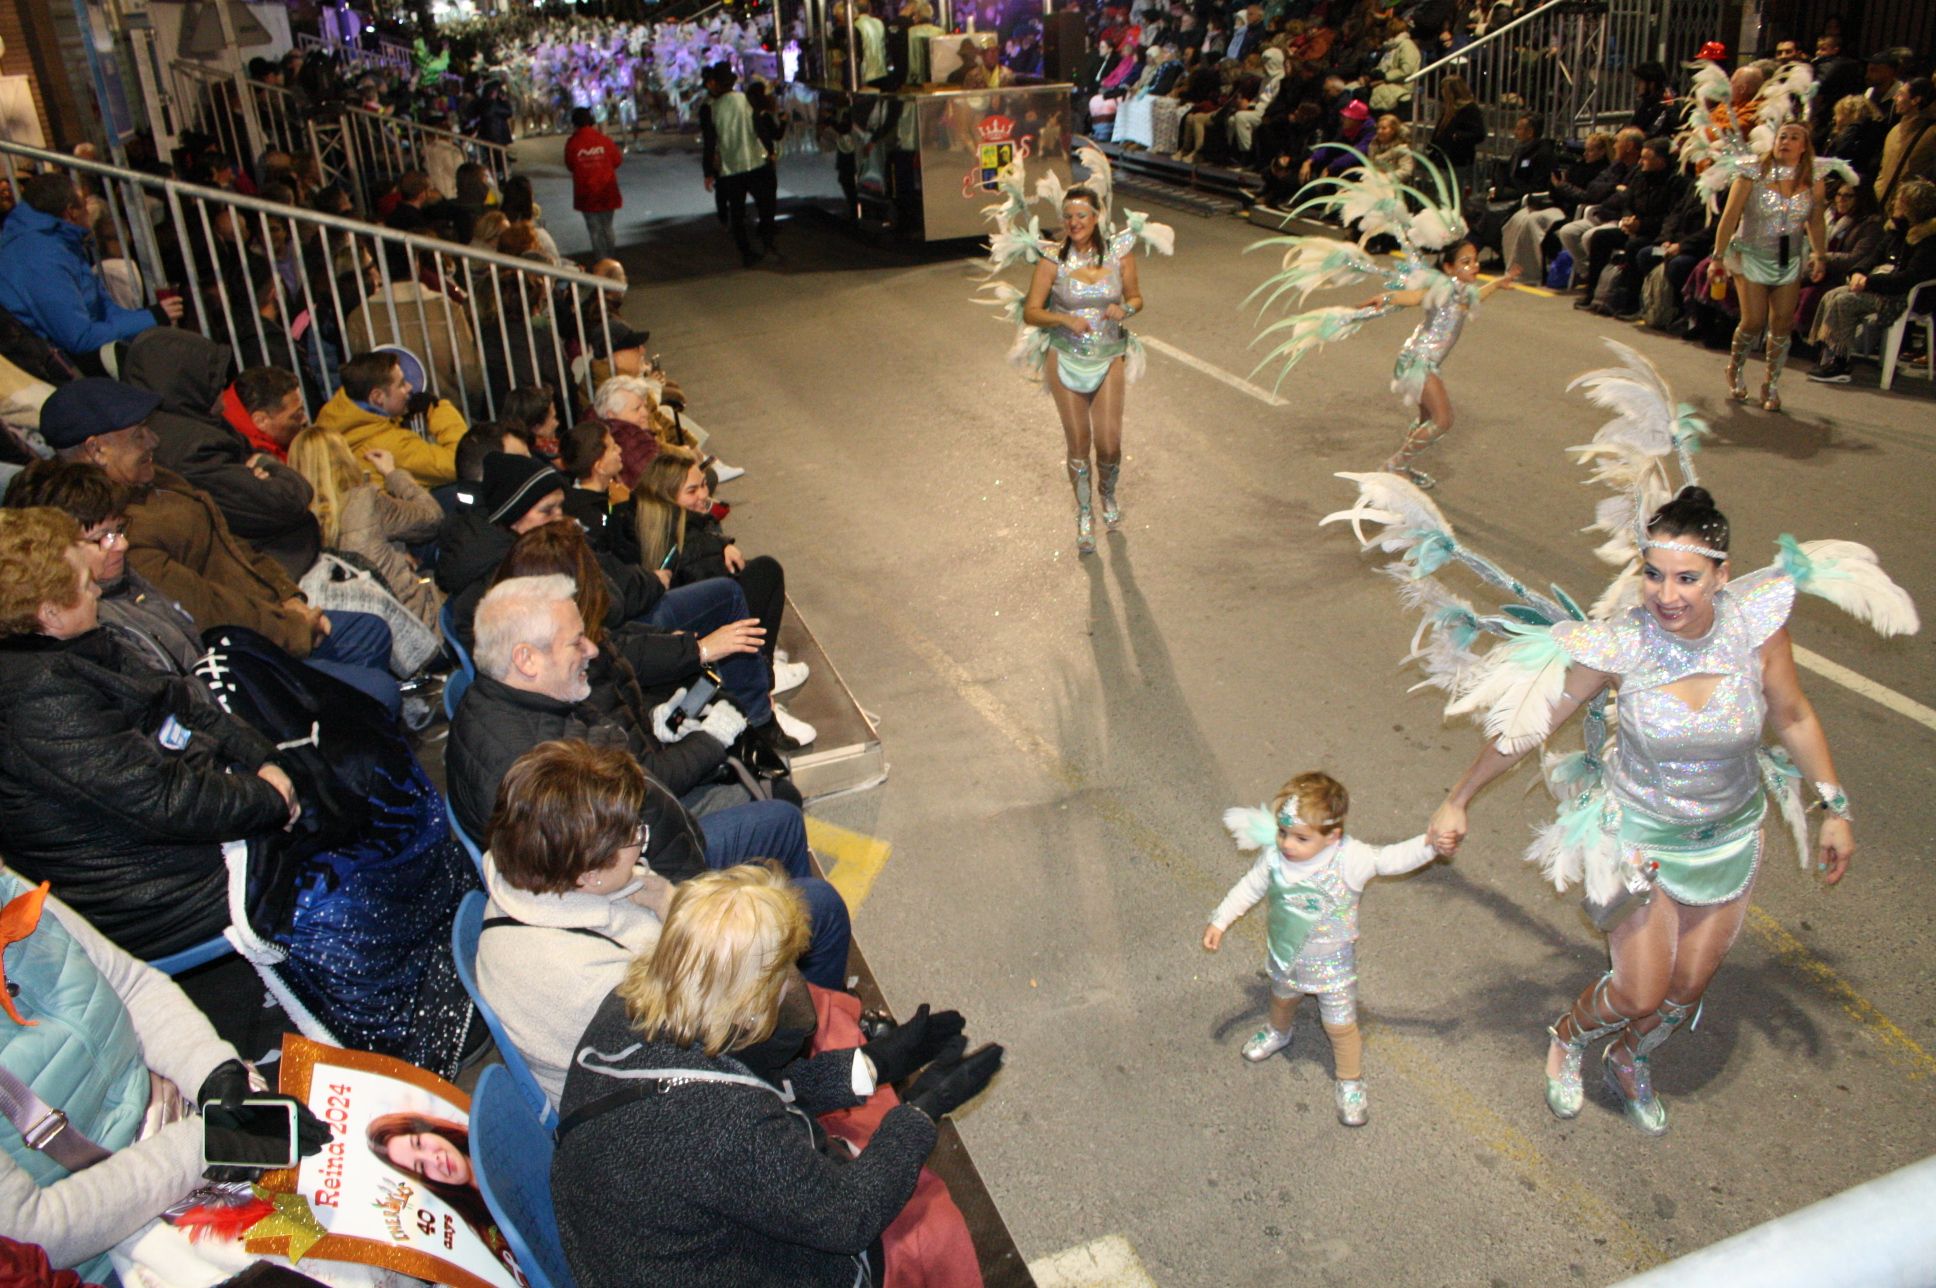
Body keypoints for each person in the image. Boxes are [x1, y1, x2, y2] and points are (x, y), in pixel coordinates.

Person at [1425, 486, 1902, 1135]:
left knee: (1682, 994)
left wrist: (1835, 806)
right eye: (1652, 574)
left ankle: (1629, 1056)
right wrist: (1458, 798)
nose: (1666, 594)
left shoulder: (1757, 630)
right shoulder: (1623, 647)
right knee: (1639, 991)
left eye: (1687, 578)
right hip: (1638, 840)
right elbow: (1532, 725)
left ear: (1722, 575)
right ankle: (1567, 1036)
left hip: (1728, 840)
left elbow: (1792, 715)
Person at [553, 863, 1003, 1288]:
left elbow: (757, 1089)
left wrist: (875, 1063)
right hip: (693, 1265)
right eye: (783, 976)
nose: (792, 985)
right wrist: (920, 1113)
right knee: (928, 1225)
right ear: (746, 1005)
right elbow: (848, 1217)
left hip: (637, 1243)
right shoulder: (729, 1128)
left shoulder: (629, 1008)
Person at [445, 575, 850, 985]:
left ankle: (789, 977)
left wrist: (656, 730)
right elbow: (628, 842)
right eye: (575, 642)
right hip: (645, 891)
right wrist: (685, 901)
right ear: (526, 659)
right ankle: (791, 995)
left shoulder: (501, 705)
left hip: (633, 864)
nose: (591, 649)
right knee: (819, 904)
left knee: (781, 818)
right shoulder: (542, 762)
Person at [0, 865, 323, 1283]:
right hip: (113, 1240)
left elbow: (130, 985)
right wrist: (206, 1144)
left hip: (178, 1120)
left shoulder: (8, 888)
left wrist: (215, 1075)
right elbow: (35, 1232)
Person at [0, 507, 299, 957]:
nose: (98, 590)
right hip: (142, 891)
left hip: (155, 843)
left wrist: (262, 759)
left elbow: (182, 701)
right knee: (323, 845)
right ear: (49, 614)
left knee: (319, 784)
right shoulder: (38, 698)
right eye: (85, 586)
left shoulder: (80, 646)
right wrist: (269, 800)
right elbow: (161, 801)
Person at [38, 379, 399, 713]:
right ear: (97, 449)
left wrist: (289, 596)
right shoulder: (117, 530)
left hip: (268, 614)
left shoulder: (155, 481)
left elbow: (233, 544)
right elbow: (204, 609)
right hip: (238, 648)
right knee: (377, 688)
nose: (153, 441)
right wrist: (292, 629)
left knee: (371, 632)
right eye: (137, 436)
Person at [1205, 771, 1443, 1126]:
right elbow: (1250, 886)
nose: (1287, 844)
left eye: (1301, 838)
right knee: (1281, 1000)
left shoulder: (1350, 859)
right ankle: (1278, 1032)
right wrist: (1221, 918)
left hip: (1333, 968)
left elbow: (1391, 859)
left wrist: (1432, 844)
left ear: (1333, 836)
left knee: (1341, 1027)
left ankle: (1350, 1081)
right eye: (1283, 832)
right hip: (1286, 956)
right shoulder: (1274, 857)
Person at [1015, 184, 1161, 554]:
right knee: (1078, 443)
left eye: (1081, 216)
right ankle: (1084, 513)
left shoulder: (1119, 253)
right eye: (1068, 217)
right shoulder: (1054, 259)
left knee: (1109, 442)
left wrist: (1125, 309)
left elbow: (1136, 297)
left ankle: (1107, 495)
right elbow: (1031, 310)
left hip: (1109, 353)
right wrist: (1062, 318)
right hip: (1065, 357)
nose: (1074, 223)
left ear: (1097, 217)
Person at [629, 444, 807, 694]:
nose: (703, 494)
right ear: (669, 496)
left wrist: (719, 544)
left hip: (669, 634)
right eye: (692, 490)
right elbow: (718, 597)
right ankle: (759, 680)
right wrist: (717, 546)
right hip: (697, 644)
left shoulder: (652, 523)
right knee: (766, 572)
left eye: (703, 484)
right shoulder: (688, 540)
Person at [1709, 122, 1832, 411]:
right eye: (1782, 136)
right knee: (1753, 321)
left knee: (1782, 323)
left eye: (1794, 137)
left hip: (1788, 258)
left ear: (1804, 146)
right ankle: (1735, 369)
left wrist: (1819, 255)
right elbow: (1729, 217)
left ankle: (1771, 383)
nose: (1786, 141)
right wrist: (1717, 257)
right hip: (1751, 254)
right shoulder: (1752, 173)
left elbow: (1815, 220)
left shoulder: (1814, 177)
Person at [0, 175, 179, 366]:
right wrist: (151, 317)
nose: (88, 210)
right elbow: (78, 337)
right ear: (71, 212)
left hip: (80, 353)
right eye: (84, 204)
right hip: (56, 366)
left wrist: (150, 318)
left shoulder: (61, 242)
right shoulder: (39, 256)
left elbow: (103, 308)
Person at [287, 426, 445, 628]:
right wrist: (392, 473)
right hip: (413, 622)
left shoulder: (296, 523)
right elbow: (432, 517)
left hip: (362, 632)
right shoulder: (366, 500)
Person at [1806, 177, 1936, 384]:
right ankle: (1826, 351)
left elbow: (1909, 278)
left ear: (1915, 207)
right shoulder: (1896, 231)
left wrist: (1869, 282)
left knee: (1844, 301)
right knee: (1831, 295)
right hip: (1881, 286)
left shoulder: (1928, 241)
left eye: (1900, 202)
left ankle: (1841, 363)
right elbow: (1872, 257)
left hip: (1902, 296)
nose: (1894, 204)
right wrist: (1858, 272)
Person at [314, 349, 471, 487]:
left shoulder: (334, 414)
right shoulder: (391, 444)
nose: (409, 387)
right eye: (401, 384)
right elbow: (461, 462)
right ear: (378, 397)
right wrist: (438, 409)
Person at [364, 1112, 502, 1243]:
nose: (434, 1160)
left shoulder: (497, 1129)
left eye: (418, 1143)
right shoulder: (491, 1232)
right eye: (421, 1167)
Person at [701, 63, 778, 267]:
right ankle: (767, 242)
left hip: (730, 167)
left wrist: (708, 171)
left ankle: (746, 252)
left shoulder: (712, 109)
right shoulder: (745, 100)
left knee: (737, 212)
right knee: (766, 204)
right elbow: (759, 128)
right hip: (753, 161)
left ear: (716, 84)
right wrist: (770, 150)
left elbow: (710, 142)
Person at [565, 106, 624, 263]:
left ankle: (601, 261)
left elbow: (570, 165)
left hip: (587, 192)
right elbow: (617, 161)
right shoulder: (604, 140)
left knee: (594, 229)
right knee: (607, 226)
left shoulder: (573, 144)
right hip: (606, 189)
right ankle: (611, 258)